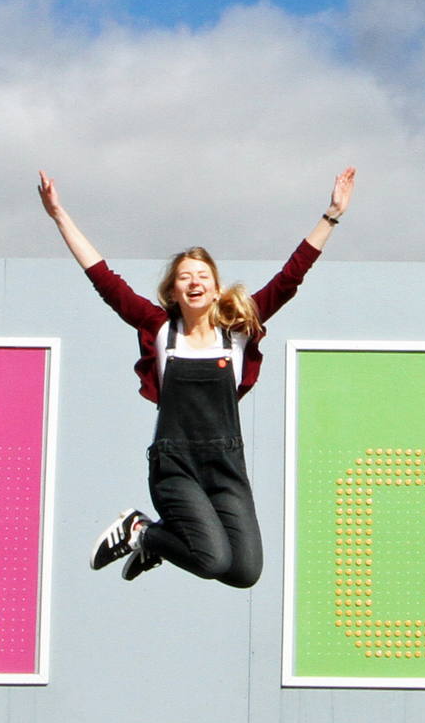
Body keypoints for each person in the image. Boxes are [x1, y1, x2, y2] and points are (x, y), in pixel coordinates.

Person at [40, 167, 353, 589]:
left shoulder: (238, 330)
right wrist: (60, 216)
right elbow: (105, 280)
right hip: (175, 463)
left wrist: (331, 214)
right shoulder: (159, 328)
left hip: (226, 464)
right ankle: (139, 531)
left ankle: (154, 542)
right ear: (173, 291)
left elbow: (289, 278)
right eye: (185, 276)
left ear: (216, 288)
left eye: (203, 276)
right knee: (210, 558)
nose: (195, 282)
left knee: (244, 571)